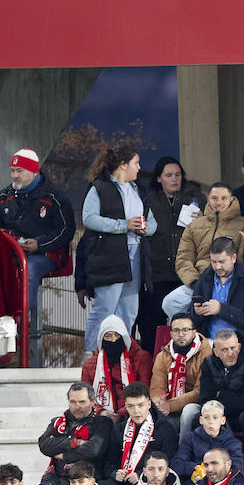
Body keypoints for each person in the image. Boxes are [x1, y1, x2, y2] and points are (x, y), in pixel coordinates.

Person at [80, 145, 153, 353]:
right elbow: (89, 218)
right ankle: (91, 355)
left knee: (129, 309)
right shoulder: (100, 187)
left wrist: (146, 228)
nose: (139, 168)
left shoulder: (137, 189)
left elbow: (152, 220)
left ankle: (121, 355)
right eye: (136, 163)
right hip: (110, 255)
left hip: (136, 252)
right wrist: (123, 225)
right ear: (123, 165)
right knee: (105, 307)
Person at [1, 147, 74, 314]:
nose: (14, 175)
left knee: (29, 269)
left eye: (19, 171)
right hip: (11, 252)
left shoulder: (54, 197)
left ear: (34, 172)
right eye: (12, 171)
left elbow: (66, 230)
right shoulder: (5, 196)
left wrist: (39, 244)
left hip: (44, 254)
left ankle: (19, 318)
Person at [138, 156, 202, 347]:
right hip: (157, 273)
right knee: (152, 321)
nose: (174, 179)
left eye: (178, 175)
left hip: (186, 273)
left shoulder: (196, 198)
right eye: (169, 175)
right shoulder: (147, 200)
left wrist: (203, 217)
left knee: (186, 323)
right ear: (159, 178)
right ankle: (154, 365)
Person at [165, 182, 244, 319]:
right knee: (170, 303)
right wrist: (195, 282)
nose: (219, 202)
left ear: (232, 200)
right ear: (208, 199)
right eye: (214, 198)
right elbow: (183, 259)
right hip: (199, 281)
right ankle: (192, 332)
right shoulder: (194, 226)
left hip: (229, 282)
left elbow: (242, 258)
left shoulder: (243, 224)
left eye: (224, 198)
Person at [193, 329, 244, 456]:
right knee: (198, 419)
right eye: (224, 350)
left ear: (239, 346)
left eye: (233, 348)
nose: (231, 353)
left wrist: (221, 395)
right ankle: (199, 463)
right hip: (221, 415)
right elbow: (205, 399)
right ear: (216, 352)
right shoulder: (208, 364)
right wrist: (232, 401)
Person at [37, 382, 114, 485]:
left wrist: (63, 455)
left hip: (86, 483)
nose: (77, 406)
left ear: (93, 402)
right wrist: (75, 443)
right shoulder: (57, 422)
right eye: (72, 402)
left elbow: (93, 449)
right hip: (54, 480)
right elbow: (44, 444)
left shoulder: (102, 423)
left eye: (82, 402)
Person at [100, 383, 177, 485]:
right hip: (121, 483)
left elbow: (168, 463)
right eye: (131, 406)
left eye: (140, 405)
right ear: (125, 406)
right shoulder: (119, 429)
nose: (136, 411)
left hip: (150, 483)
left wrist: (141, 474)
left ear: (149, 404)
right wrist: (114, 473)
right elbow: (108, 461)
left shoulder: (166, 428)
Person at [188, 237, 244, 342]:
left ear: (233, 258)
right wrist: (197, 313)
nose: (217, 267)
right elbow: (192, 319)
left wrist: (221, 309)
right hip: (209, 342)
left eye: (222, 261)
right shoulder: (205, 278)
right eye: (213, 262)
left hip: (241, 343)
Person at [80, 314, 152, 417]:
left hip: (134, 415)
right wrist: (101, 412)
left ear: (124, 337)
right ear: (101, 340)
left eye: (117, 335)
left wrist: (121, 414)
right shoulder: (90, 365)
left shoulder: (142, 358)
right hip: (101, 418)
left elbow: (144, 393)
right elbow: (85, 398)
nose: (113, 340)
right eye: (108, 336)